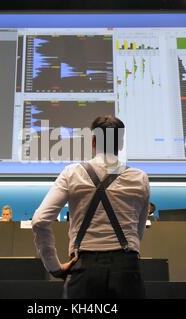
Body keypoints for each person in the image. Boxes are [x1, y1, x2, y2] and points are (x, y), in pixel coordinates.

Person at [32, 115, 149, 299]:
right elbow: (138, 232)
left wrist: (53, 266)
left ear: (93, 141)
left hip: (83, 268)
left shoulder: (72, 173)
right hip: (127, 269)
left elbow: (40, 221)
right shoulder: (140, 178)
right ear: (121, 144)